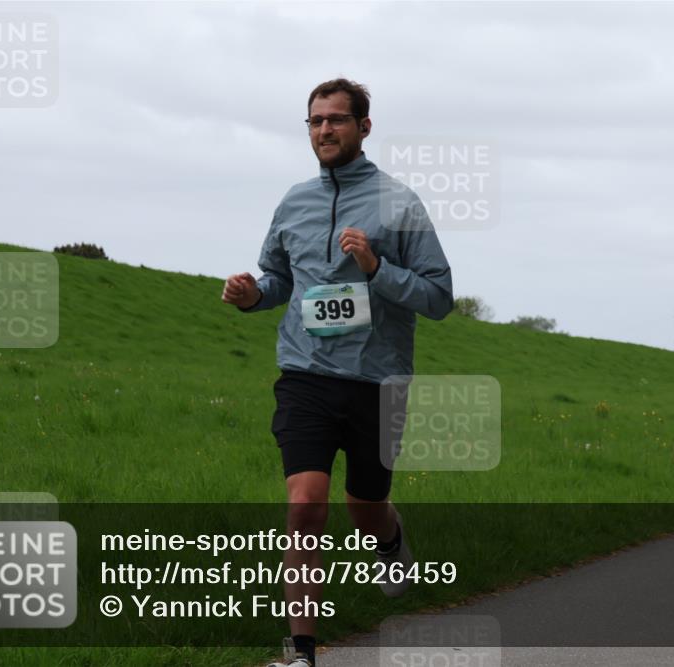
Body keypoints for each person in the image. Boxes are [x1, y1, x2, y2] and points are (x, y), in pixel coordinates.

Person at [222, 78, 453, 667]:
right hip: (305, 374)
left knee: (365, 505)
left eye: (337, 120)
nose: (324, 130)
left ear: (364, 127)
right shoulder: (293, 201)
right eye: (316, 121)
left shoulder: (399, 203)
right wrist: (252, 295)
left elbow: (438, 297)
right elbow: (279, 279)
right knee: (305, 505)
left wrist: (376, 268)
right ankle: (301, 651)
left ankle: (390, 540)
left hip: (378, 381)